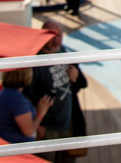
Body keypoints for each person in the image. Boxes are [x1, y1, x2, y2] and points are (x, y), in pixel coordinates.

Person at [25, 21, 87, 162]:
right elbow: (27, 98)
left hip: (68, 126)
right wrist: (38, 125)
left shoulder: (64, 53)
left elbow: (83, 84)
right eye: (52, 36)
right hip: (47, 129)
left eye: (59, 35)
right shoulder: (34, 64)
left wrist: (76, 77)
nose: (56, 40)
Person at [0, 66, 53, 144]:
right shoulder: (16, 99)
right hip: (15, 148)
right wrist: (41, 112)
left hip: (6, 143)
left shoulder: (7, 92)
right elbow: (29, 132)